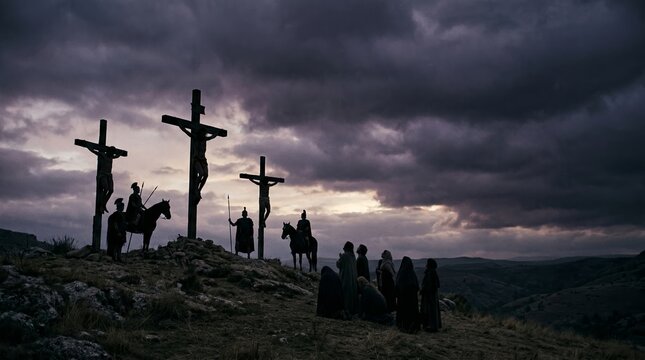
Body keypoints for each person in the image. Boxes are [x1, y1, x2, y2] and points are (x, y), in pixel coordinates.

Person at [89, 146, 123, 214]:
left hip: (109, 175)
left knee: (111, 190)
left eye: (113, 153)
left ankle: (104, 204)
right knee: (106, 188)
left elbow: (118, 155)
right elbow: (95, 152)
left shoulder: (111, 157)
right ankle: (102, 204)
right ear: (109, 151)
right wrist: (88, 146)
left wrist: (121, 153)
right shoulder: (103, 155)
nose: (112, 154)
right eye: (111, 152)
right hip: (103, 174)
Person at [395, 256, 420, 333]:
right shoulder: (412, 274)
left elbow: (398, 286)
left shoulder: (401, 273)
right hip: (412, 299)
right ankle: (413, 326)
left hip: (403, 299)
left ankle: (404, 326)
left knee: (404, 312)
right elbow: (417, 286)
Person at [336, 241, 358, 318]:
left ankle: (346, 312)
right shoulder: (353, 257)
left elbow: (338, 264)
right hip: (353, 280)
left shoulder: (345, 256)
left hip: (345, 279)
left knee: (345, 296)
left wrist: (340, 257)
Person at [420, 258, 442, 332]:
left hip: (429, 295)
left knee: (430, 310)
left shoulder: (430, 273)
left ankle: (431, 326)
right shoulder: (432, 272)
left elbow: (428, 285)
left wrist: (423, 290)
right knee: (432, 310)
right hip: (432, 295)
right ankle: (432, 325)